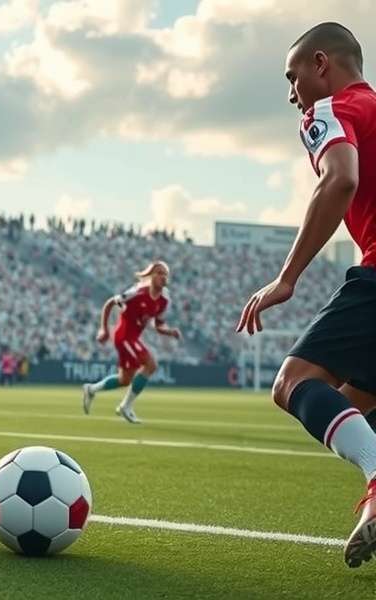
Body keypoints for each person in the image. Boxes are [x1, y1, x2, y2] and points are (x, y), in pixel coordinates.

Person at [237, 22, 376, 569]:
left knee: (293, 383)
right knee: (355, 401)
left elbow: (338, 180)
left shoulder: (330, 111)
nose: (292, 93)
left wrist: (287, 276)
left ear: (321, 64)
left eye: (293, 77)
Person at [81, 261, 181, 423]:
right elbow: (110, 303)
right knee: (151, 365)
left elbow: (159, 324)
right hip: (123, 336)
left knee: (125, 380)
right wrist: (104, 329)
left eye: (165, 274)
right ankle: (125, 407)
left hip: (133, 338)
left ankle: (91, 389)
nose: (163, 277)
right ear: (151, 276)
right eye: (159, 273)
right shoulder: (137, 292)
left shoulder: (164, 300)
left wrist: (170, 332)